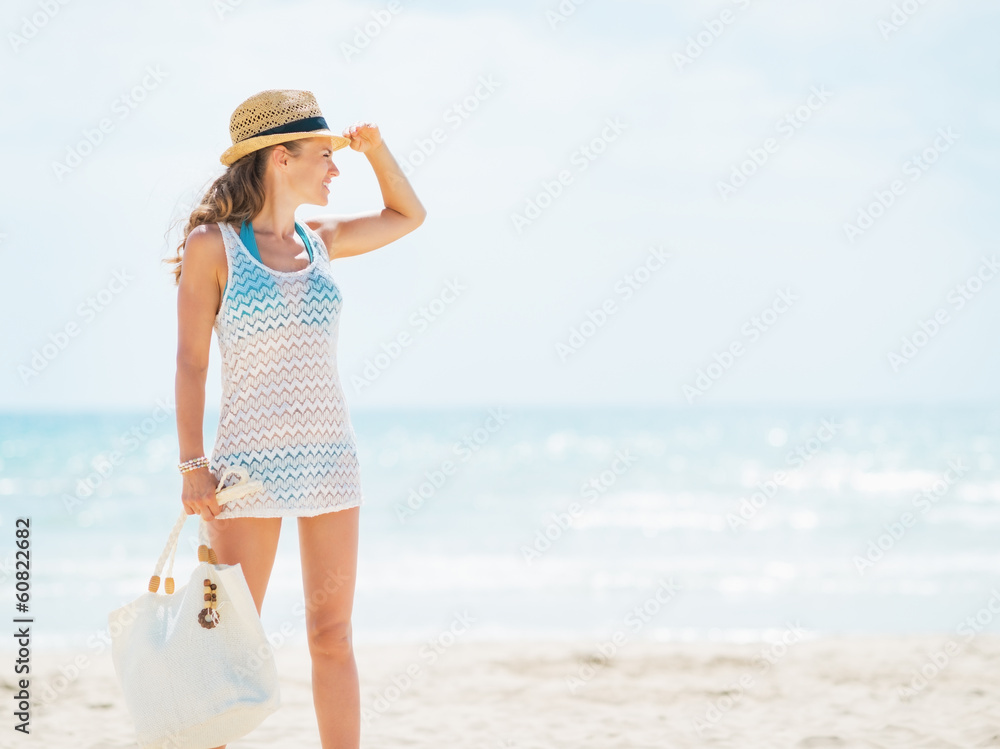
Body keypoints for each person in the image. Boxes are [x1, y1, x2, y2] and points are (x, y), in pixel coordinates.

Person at [163, 88, 426, 749]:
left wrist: (376, 151)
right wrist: (193, 464)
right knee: (228, 639)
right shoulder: (212, 246)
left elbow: (408, 214)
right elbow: (191, 362)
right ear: (281, 158)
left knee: (331, 635)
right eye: (325, 157)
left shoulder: (323, 241)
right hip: (247, 467)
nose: (335, 170)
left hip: (331, 461)